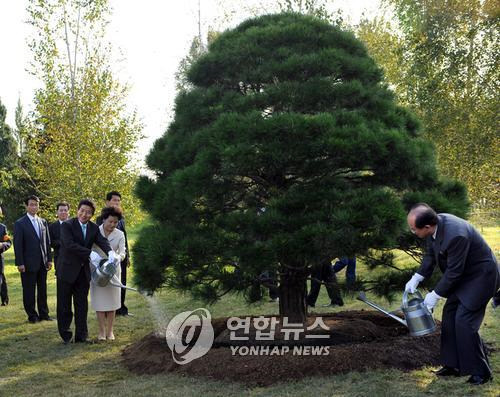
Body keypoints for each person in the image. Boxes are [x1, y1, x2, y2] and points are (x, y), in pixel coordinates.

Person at [405, 203, 499, 385]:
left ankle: (482, 372)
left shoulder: (456, 235)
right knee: (449, 317)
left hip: (481, 277)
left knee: (464, 322)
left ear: (427, 227)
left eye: (413, 229)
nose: (412, 232)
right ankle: (453, 365)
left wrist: (434, 295)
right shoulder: (434, 225)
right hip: (465, 276)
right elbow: (431, 255)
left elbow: (454, 272)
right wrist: (417, 277)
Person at [57, 199, 112, 343]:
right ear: (77, 211)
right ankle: (66, 335)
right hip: (66, 271)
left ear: (92, 215)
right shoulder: (67, 225)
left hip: (83, 272)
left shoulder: (94, 228)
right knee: (64, 305)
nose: (84, 214)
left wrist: (111, 252)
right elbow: (69, 245)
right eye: (82, 211)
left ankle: (82, 336)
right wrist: (89, 253)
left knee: (82, 305)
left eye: (88, 212)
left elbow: (102, 241)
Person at [13, 195, 53, 323]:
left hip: (42, 262)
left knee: (43, 290)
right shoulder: (20, 223)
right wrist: (20, 263)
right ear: (26, 206)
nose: (34, 207)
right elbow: (18, 245)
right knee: (29, 291)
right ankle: (32, 315)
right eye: (31, 204)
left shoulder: (43, 222)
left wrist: (49, 259)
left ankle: (44, 314)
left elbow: (47, 242)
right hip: (27, 263)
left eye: (36, 204)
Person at [90, 206, 126, 341]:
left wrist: (118, 257)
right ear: (104, 219)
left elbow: (123, 252)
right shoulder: (95, 231)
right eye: (110, 221)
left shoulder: (120, 234)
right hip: (97, 270)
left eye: (115, 222)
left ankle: (110, 331)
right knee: (99, 302)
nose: (112, 225)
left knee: (112, 302)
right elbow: (90, 248)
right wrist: (93, 258)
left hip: (113, 271)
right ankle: (101, 331)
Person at [96, 191, 131, 316]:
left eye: (118, 200)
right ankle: (108, 309)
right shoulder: (101, 219)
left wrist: (127, 256)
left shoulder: (121, 219)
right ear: (107, 202)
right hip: (106, 258)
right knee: (109, 283)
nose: (117, 202)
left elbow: (124, 238)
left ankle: (121, 308)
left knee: (122, 282)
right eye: (114, 200)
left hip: (120, 256)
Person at [48, 202, 70, 274]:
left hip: (74, 260)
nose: (63, 212)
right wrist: (63, 242)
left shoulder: (75, 225)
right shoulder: (52, 227)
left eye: (65, 210)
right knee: (61, 283)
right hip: (59, 259)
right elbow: (50, 242)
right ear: (57, 212)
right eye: (61, 210)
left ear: (68, 212)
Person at [0, 206, 12, 306]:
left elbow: (8, 242)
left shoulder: (2, 228)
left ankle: (4, 300)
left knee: (1, 279)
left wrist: (2, 245)